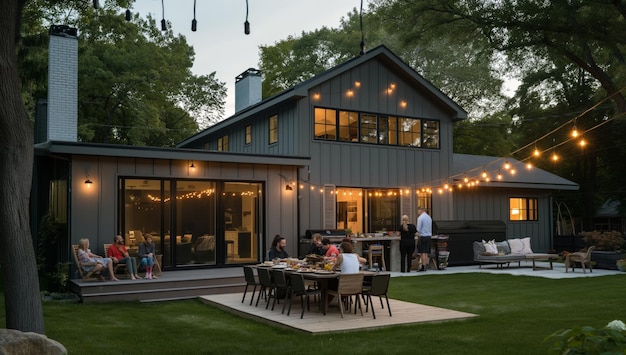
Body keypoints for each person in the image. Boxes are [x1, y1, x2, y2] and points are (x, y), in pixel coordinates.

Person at [416, 206, 433, 272]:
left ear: (421, 210)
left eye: (418, 210)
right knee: (426, 252)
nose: (418, 212)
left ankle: (423, 267)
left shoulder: (420, 218)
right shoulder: (429, 217)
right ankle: (425, 265)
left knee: (422, 252)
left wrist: (417, 233)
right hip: (428, 236)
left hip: (422, 236)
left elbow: (418, 229)